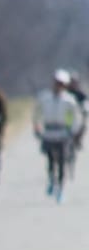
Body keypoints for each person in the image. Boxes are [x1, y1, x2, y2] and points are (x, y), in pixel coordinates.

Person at [33, 69, 83, 202]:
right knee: (50, 160)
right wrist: (37, 127)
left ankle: (60, 188)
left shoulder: (69, 100)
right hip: (49, 132)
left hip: (63, 133)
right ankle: (51, 179)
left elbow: (74, 117)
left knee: (62, 162)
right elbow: (37, 113)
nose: (58, 86)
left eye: (61, 83)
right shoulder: (45, 98)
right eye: (56, 83)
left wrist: (73, 131)